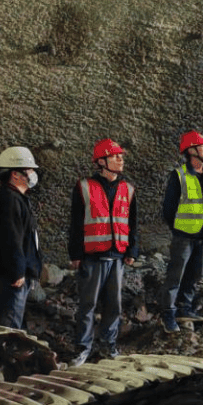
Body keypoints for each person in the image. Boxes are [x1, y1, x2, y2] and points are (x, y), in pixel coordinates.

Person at [68, 138, 139, 366]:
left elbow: (133, 223)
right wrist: (75, 255)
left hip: (117, 256)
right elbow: (76, 223)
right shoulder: (84, 187)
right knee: (87, 305)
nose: (120, 159)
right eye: (115, 156)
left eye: (121, 156)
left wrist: (132, 250)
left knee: (114, 305)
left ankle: (108, 345)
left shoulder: (128, 189)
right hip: (92, 256)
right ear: (101, 161)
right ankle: (83, 347)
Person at [0, 146, 43, 329]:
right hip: (8, 278)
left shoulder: (16, 198)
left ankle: (9, 356)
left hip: (11, 276)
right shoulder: (9, 200)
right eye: (30, 170)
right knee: (7, 327)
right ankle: (3, 357)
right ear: (15, 174)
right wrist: (17, 271)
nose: (32, 174)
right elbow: (9, 238)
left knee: (13, 324)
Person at [160, 131, 203, 333]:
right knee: (175, 276)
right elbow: (168, 208)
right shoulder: (179, 176)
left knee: (195, 274)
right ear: (192, 151)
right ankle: (168, 314)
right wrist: (178, 229)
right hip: (184, 236)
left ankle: (184, 308)